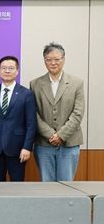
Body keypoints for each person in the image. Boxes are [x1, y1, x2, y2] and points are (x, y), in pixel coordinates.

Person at [30, 42, 85, 181]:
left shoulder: (76, 83)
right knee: (47, 185)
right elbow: (33, 113)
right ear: (44, 61)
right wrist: (50, 134)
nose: (53, 63)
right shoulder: (35, 84)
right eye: (49, 59)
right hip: (44, 143)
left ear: (63, 60)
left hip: (69, 142)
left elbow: (78, 112)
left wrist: (61, 135)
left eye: (57, 59)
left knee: (66, 185)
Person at [0, 56, 37, 181]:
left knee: (17, 185)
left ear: (17, 71)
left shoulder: (26, 94)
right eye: (4, 68)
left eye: (11, 68)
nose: (7, 71)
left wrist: (27, 147)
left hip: (18, 149)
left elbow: (31, 124)